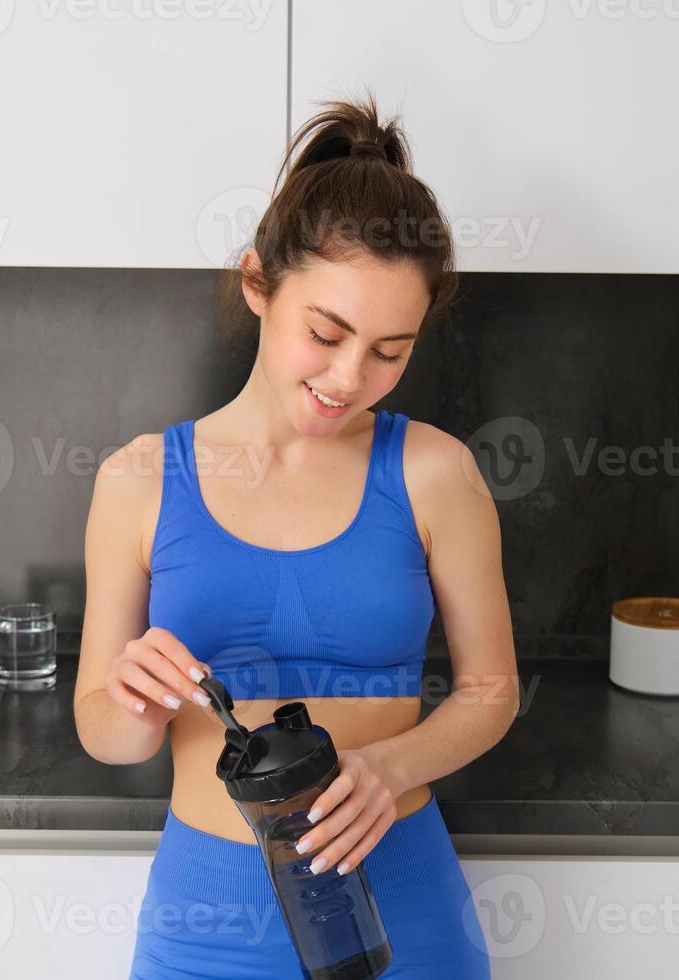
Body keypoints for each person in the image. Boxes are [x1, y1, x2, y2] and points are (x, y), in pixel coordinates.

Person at [75, 93, 518, 979]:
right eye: (327, 333)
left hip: (402, 905)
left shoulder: (436, 474)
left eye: (391, 351)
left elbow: (492, 692)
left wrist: (389, 770)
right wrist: (134, 699)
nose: (351, 378)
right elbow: (104, 731)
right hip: (206, 923)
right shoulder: (137, 481)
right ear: (257, 284)